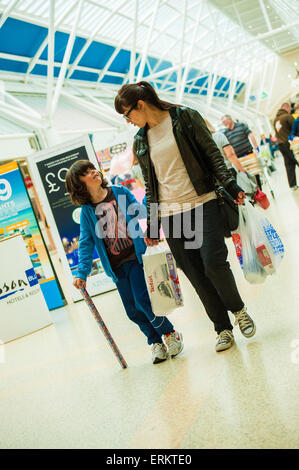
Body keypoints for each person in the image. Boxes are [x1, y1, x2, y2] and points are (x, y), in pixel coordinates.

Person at [114, 81, 256, 353]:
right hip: (172, 216)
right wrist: (154, 224)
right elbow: (151, 183)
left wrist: (231, 185)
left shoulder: (185, 117)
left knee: (213, 263)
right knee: (195, 273)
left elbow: (213, 156)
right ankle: (222, 329)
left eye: (127, 114)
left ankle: (238, 311)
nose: (128, 121)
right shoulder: (141, 140)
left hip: (202, 203)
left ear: (140, 105)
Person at [65, 159, 184, 365]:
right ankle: (155, 342)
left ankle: (170, 333)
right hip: (116, 268)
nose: (93, 172)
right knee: (132, 310)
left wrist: (153, 213)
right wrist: (81, 273)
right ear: (79, 184)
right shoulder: (87, 211)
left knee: (143, 301)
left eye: (93, 168)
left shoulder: (119, 193)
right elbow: (86, 242)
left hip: (136, 258)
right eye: (86, 172)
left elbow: (141, 211)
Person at [221, 114, 262, 188]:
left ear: (230, 119)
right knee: (245, 176)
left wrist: (256, 148)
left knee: (255, 173)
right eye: (223, 122)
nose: (224, 123)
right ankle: (253, 192)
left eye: (225, 121)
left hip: (248, 154)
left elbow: (251, 135)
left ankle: (260, 191)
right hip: (238, 158)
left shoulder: (241, 125)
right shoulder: (225, 133)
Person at [274, 102, 298, 190]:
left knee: (289, 164)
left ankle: (292, 185)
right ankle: (293, 185)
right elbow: (295, 128)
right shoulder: (287, 116)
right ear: (287, 108)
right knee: (296, 159)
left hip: (280, 145)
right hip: (288, 144)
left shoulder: (276, 119)